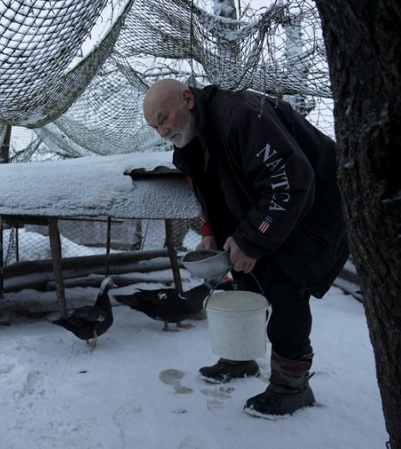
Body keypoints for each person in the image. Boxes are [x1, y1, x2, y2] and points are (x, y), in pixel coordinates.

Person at [142, 79, 349, 418]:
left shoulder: (242, 115)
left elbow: (291, 182)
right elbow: (211, 189)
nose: (162, 131)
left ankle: (291, 385)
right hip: (266, 210)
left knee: (286, 289)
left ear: (187, 99)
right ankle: (240, 358)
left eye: (164, 119)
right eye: (155, 126)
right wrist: (212, 232)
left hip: (310, 214)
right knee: (242, 280)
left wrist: (251, 239)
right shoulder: (195, 137)